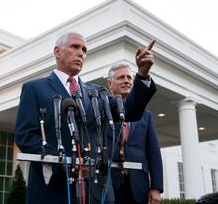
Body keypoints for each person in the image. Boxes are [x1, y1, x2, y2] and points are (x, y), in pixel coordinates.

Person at [15, 32, 157, 204]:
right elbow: (26, 136)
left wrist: (142, 75)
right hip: (52, 190)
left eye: (84, 49)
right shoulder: (34, 88)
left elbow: (129, 111)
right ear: (57, 52)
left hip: (94, 192)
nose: (81, 53)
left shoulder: (97, 93)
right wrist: (61, 162)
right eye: (75, 47)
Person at [107, 63, 163, 204]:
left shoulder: (146, 116)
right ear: (110, 83)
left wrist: (156, 187)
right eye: (121, 77)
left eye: (129, 77)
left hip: (138, 186)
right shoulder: (101, 111)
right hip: (108, 186)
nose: (126, 80)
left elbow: (154, 153)